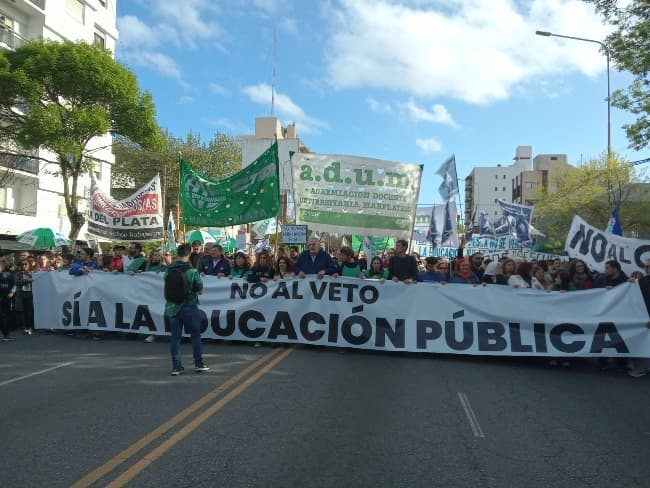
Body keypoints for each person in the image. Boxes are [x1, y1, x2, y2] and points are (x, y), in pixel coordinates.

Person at [164, 244, 209, 376]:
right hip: (189, 305)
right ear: (189, 254)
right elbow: (200, 290)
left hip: (172, 307)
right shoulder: (192, 271)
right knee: (195, 335)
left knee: (175, 337)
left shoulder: (168, 270)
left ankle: (176, 366)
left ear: (177, 254)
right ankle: (199, 363)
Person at [14, 260, 34, 335]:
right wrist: (26, 280)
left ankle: (31, 327)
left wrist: (30, 277)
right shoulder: (18, 274)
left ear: (29, 265)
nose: (24, 266)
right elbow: (16, 281)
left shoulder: (32, 273)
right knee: (25, 312)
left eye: (26, 264)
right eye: (22, 264)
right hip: (22, 294)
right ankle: (26, 327)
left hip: (30, 293)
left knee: (30, 311)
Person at [0, 257, 16, 341]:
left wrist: (12, 292)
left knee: (5, 315)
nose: (2, 263)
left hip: (7, 297)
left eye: (3, 262)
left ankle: (6, 334)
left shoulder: (11, 273)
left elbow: (14, 284)